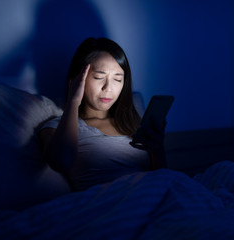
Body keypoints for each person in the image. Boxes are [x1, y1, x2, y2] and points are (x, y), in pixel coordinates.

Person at [39, 37, 166, 191]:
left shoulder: (133, 123)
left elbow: (161, 177)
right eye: (99, 77)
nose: (108, 88)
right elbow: (62, 162)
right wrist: (74, 101)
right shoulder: (57, 127)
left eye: (117, 79)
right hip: (110, 202)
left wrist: (157, 149)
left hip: (150, 194)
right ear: (78, 79)